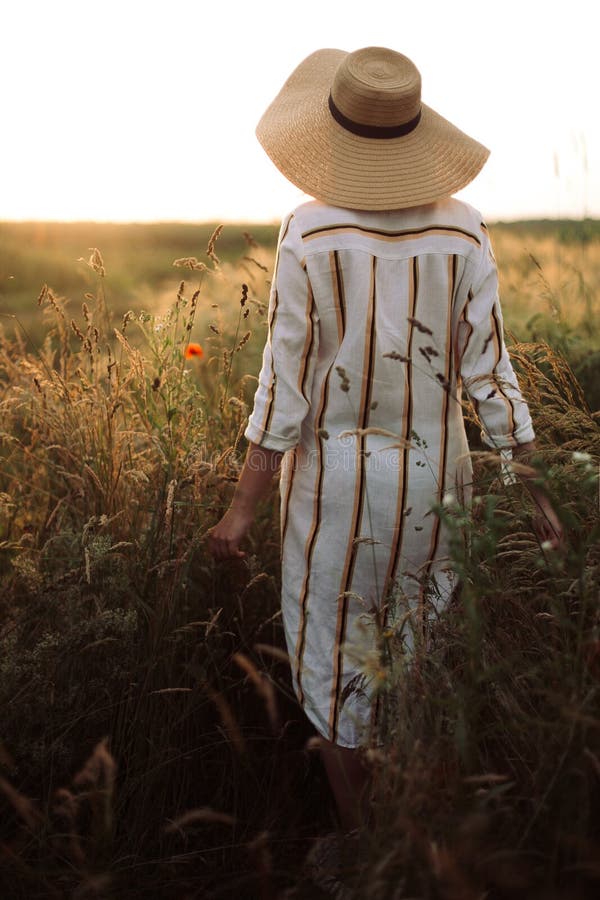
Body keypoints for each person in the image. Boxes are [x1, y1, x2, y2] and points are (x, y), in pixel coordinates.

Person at [207, 47, 563, 836]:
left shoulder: (307, 230)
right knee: (426, 660)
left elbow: (283, 393)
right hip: (442, 486)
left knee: (336, 668)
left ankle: (368, 845)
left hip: (330, 493)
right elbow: (492, 378)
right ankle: (421, 846)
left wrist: (239, 512)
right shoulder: (466, 232)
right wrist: (536, 489)